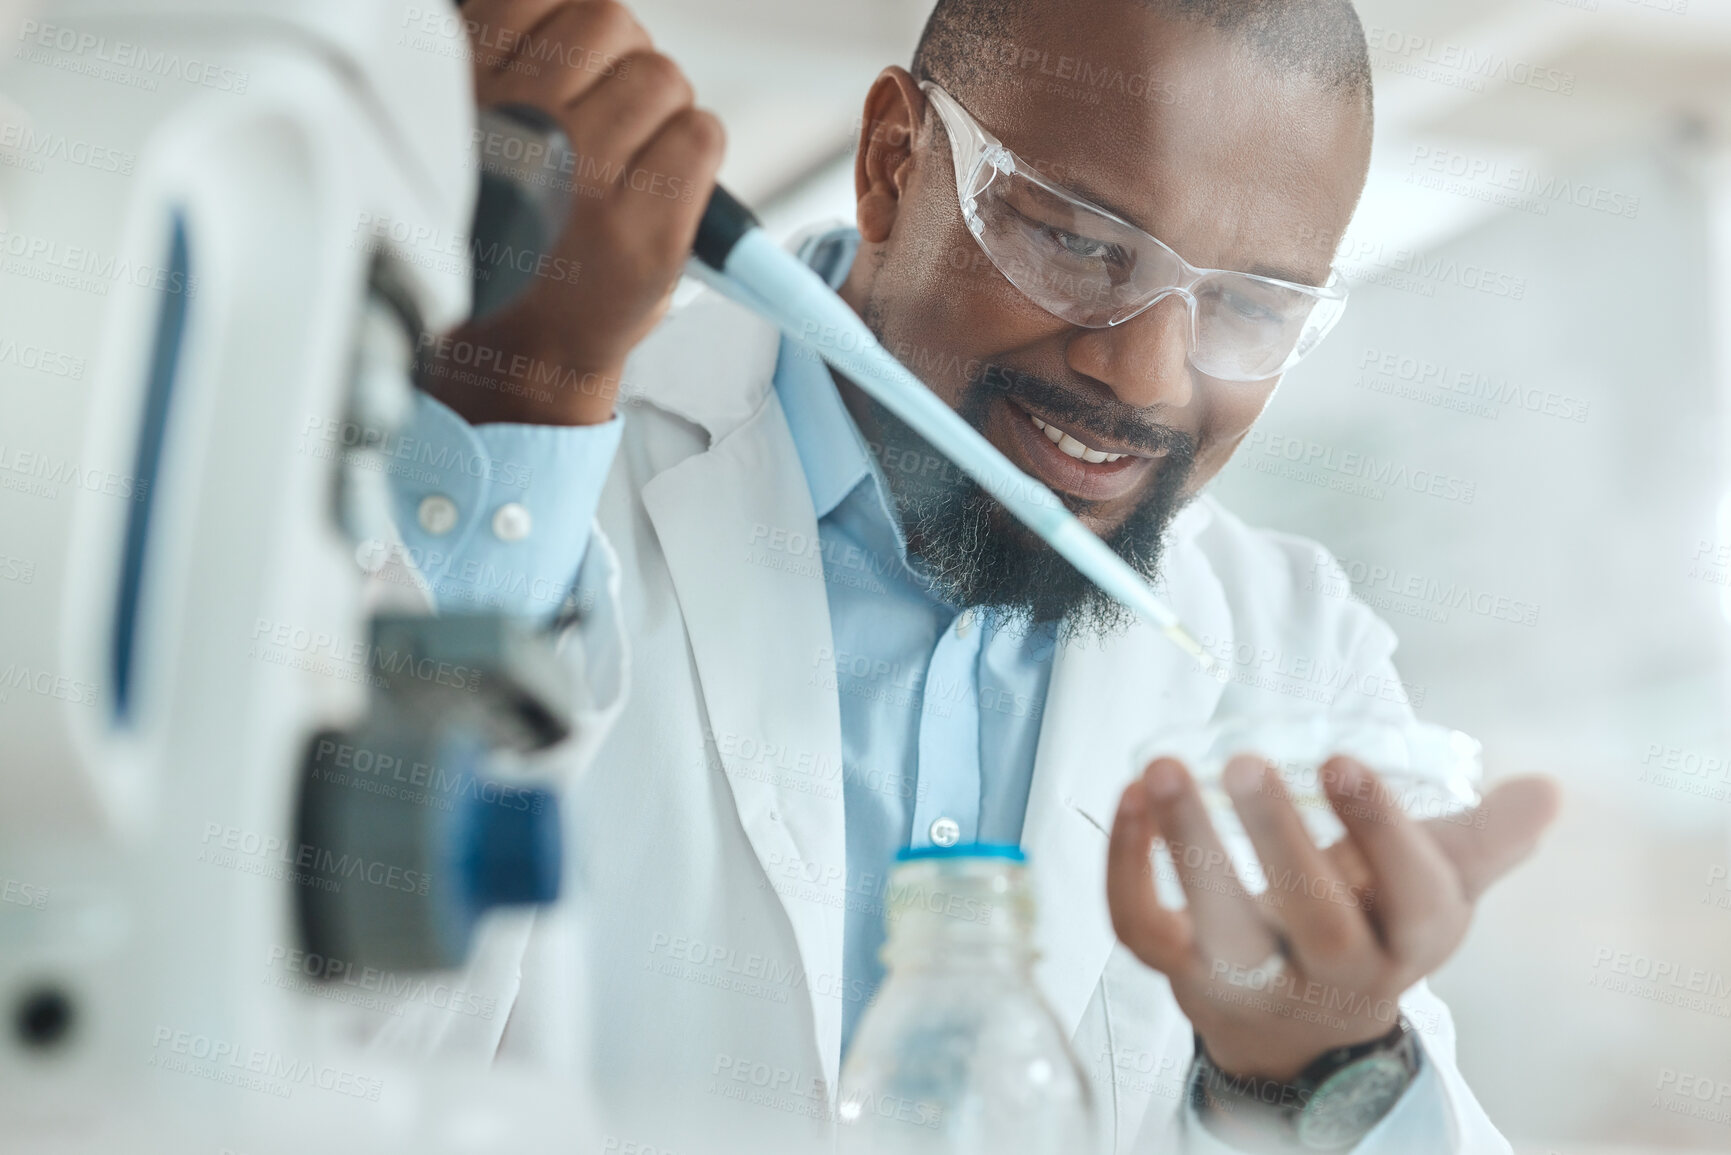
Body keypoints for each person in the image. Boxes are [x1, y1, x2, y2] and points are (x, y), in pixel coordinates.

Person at [376, 0, 1562, 1151]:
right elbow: (290, 1030)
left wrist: (1317, 1072)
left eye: (1248, 306)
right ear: (894, 163)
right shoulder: (515, 476)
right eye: (1083, 246)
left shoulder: (1293, 643)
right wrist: (524, 403)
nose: (1143, 376)